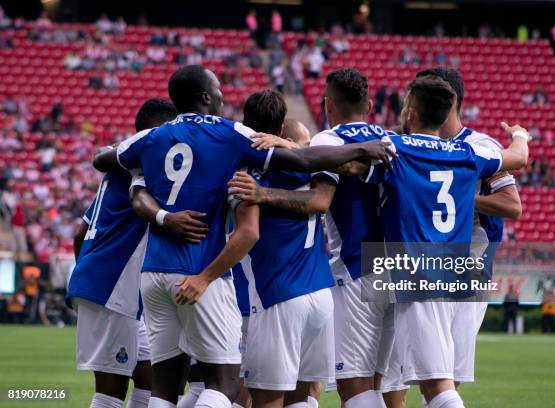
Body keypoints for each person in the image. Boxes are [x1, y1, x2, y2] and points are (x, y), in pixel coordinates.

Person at [92, 64, 392, 408]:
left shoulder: (154, 139)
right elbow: (309, 165)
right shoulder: (234, 139)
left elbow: (104, 160)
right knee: (229, 385)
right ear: (206, 96)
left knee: (168, 384)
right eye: (219, 91)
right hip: (277, 282)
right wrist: (359, 150)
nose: (223, 97)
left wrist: (137, 170)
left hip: (166, 272)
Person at [229, 68, 397, 408]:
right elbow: (347, 166)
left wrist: (263, 191)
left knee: (353, 387)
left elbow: (320, 198)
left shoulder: (326, 143)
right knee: (379, 387)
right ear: (368, 103)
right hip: (394, 266)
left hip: (347, 269)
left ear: (327, 103)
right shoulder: (392, 141)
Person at [363, 75, 530, 408]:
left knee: (438, 380)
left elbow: (513, 205)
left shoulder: (407, 146)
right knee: (409, 372)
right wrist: (520, 136)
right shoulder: (473, 153)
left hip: (450, 267)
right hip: (438, 266)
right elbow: (518, 156)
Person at [66, 99, 208, 408]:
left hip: (108, 286)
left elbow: (80, 233)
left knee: (151, 381)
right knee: (110, 390)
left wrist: (89, 276)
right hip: (111, 288)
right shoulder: (145, 166)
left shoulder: (118, 171)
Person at [414, 67, 522, 398]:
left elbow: (512, 205)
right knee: (426, 376)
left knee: (444, 377)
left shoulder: (480, 145)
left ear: (451, 100)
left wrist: (463, 200)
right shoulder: (419, 143)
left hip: (468, 267)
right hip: (426, 266)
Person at [228, 91, 334, 408]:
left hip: (279, 295)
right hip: (321, 294)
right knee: (305, 397)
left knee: (265, 398)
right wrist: (295, 146)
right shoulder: (317, 166)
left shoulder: (251, 170)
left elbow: (248, 231)